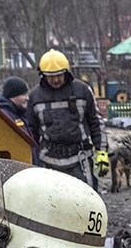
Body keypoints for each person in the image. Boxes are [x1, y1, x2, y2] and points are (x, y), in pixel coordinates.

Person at [25, 50, 107, 190]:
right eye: (51, 76)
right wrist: (28, 158)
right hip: (49, 162)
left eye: (59, 75)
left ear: (66, 73)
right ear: (42, 75)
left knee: (86, 202)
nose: (56, 80)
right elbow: (31, 131)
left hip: (80, 159)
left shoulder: (82, 90)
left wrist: (102, 151)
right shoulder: (35, 96)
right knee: (53, 204)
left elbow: (96, 122)